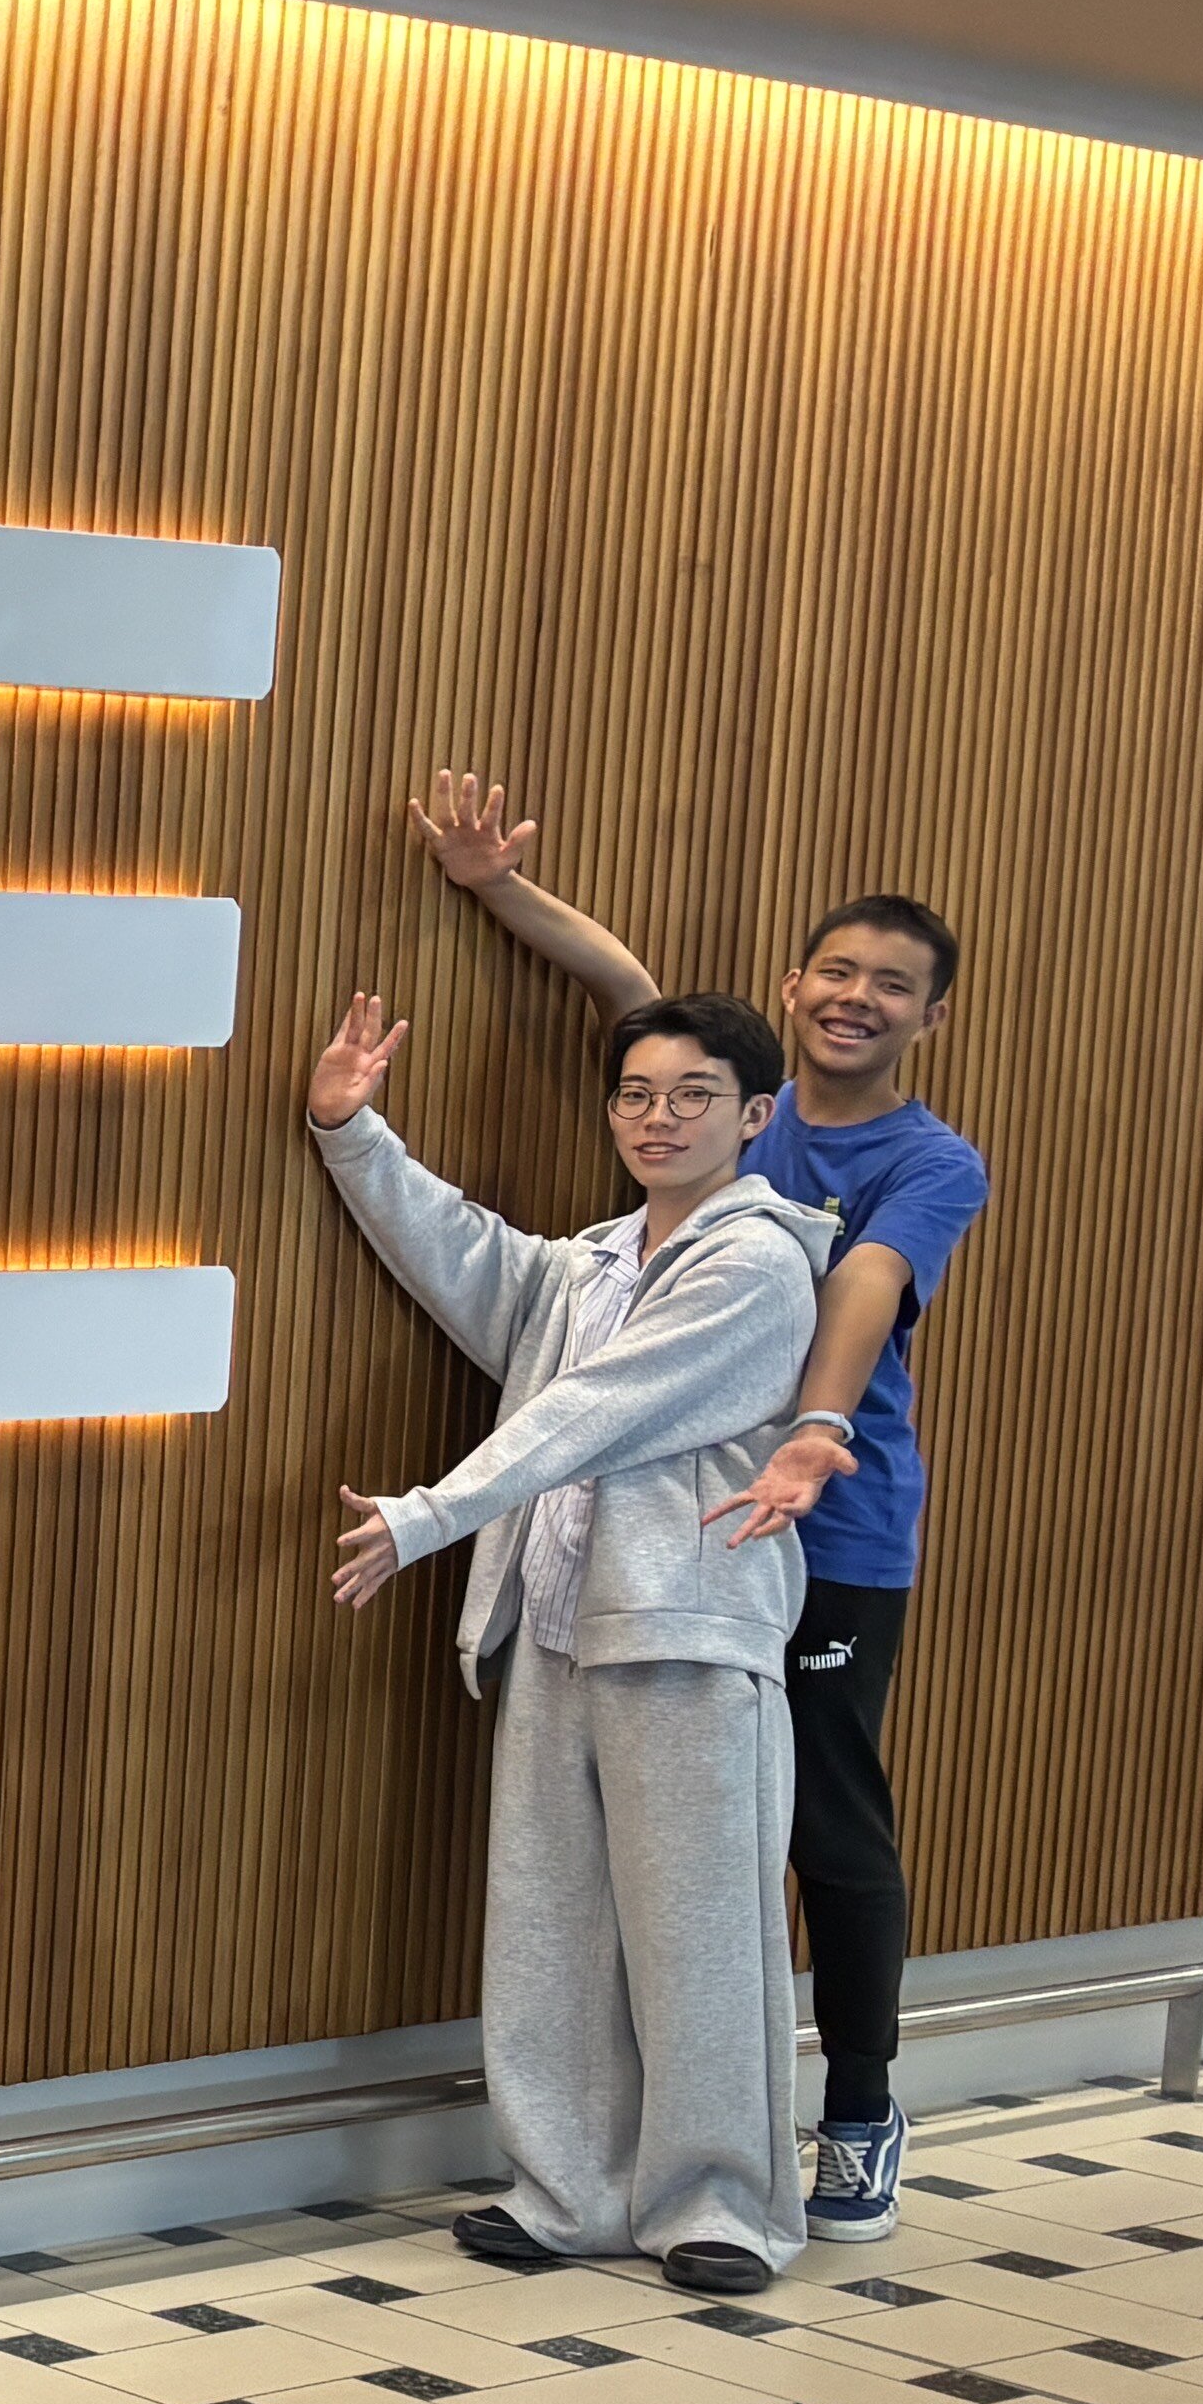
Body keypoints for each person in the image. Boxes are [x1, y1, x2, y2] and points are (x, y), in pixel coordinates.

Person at [407, 776, 989, 2239]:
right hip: (669, 1544)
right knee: (626, 1865)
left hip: (832, 1516)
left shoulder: (926, 1162)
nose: (857, 999)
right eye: (838, 971)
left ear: (930, 1017)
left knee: (818, 1829)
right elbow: (630, 990)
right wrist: (492, 887)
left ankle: (856, 2110)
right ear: (795, 988)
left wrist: (815, 1430)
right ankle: (591, 2172)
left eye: (893, 987)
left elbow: (862, 1285)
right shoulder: (735, 1106)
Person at [310, 983, 838, 2298]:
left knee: (701, 1938)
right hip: (555, 1635)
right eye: (636, 1096)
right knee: (549, 1929)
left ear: (755, 1116)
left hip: (690, 1639)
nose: (660, 1119)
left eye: (694, 1096)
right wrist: (353, 1133)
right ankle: (571, 2193)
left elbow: (595, 1409)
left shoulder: (759, 1262)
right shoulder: (593, 1263)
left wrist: (429, 1514)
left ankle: (724, 2206)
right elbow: (470, 1259)